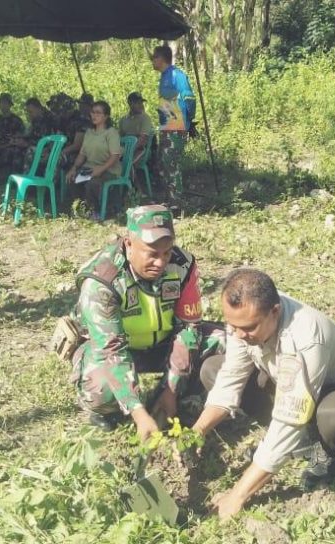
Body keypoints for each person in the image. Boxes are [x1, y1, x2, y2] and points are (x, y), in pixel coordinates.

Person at [193, 268, 335, 519]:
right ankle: (298, 443)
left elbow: (290, 418)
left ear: (275, 312)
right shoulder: (245, 318)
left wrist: (237, 495)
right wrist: (196, 432)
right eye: (232, 326)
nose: (238, 334)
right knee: (213, 370)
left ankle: (324, 449)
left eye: (247, 328)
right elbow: (230, 379)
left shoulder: (305, 336)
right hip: (287, 378)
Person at [70, 205, 225, 442]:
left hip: (164, 344)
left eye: (166, 252)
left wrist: (171, 389)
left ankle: (178, 394)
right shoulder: (102, 281)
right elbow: (110, 350)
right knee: (100, 389)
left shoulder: (182, 265)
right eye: (151, 253)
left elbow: (188, 327)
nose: (161, 262)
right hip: (117, 349)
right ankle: (113, 409)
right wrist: (138, 412)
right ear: (129, 244)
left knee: (225, 341)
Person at [151, 45, 196, 202]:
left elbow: (189, 99)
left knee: (171, 162)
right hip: (166, 126)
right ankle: (168, 198)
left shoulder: (177, 75)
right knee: (162, 162)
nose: (152, 61)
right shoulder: (164, 76)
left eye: (154, 57)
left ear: (162, 58)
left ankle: (177, 200)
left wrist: (187, 122)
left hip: (176, 127)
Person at [64, 100, 122, 219]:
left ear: (106, 116)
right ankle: (81, 209)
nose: (94, 115)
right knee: (73, 179)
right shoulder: (89, 132)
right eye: (92, 112)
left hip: (109, 170)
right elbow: (82, 154)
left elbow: (115, 156)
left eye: (98, 113)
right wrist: (74, 168)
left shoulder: (111, 133)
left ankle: (96, 213)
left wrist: (101, 169)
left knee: (92, 183)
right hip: (90, 169)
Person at [118, 92, 155, 193]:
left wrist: (129, 151)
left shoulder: (145, 118)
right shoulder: (123, 120)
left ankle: (136, 192)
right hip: (125, 150)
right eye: (137, 103)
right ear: (130, 103)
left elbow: (143, 139)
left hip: (140, 150)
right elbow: (119, 138)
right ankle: (119, 190)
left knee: (128, 163)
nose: (141, 105)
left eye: (141, 102)